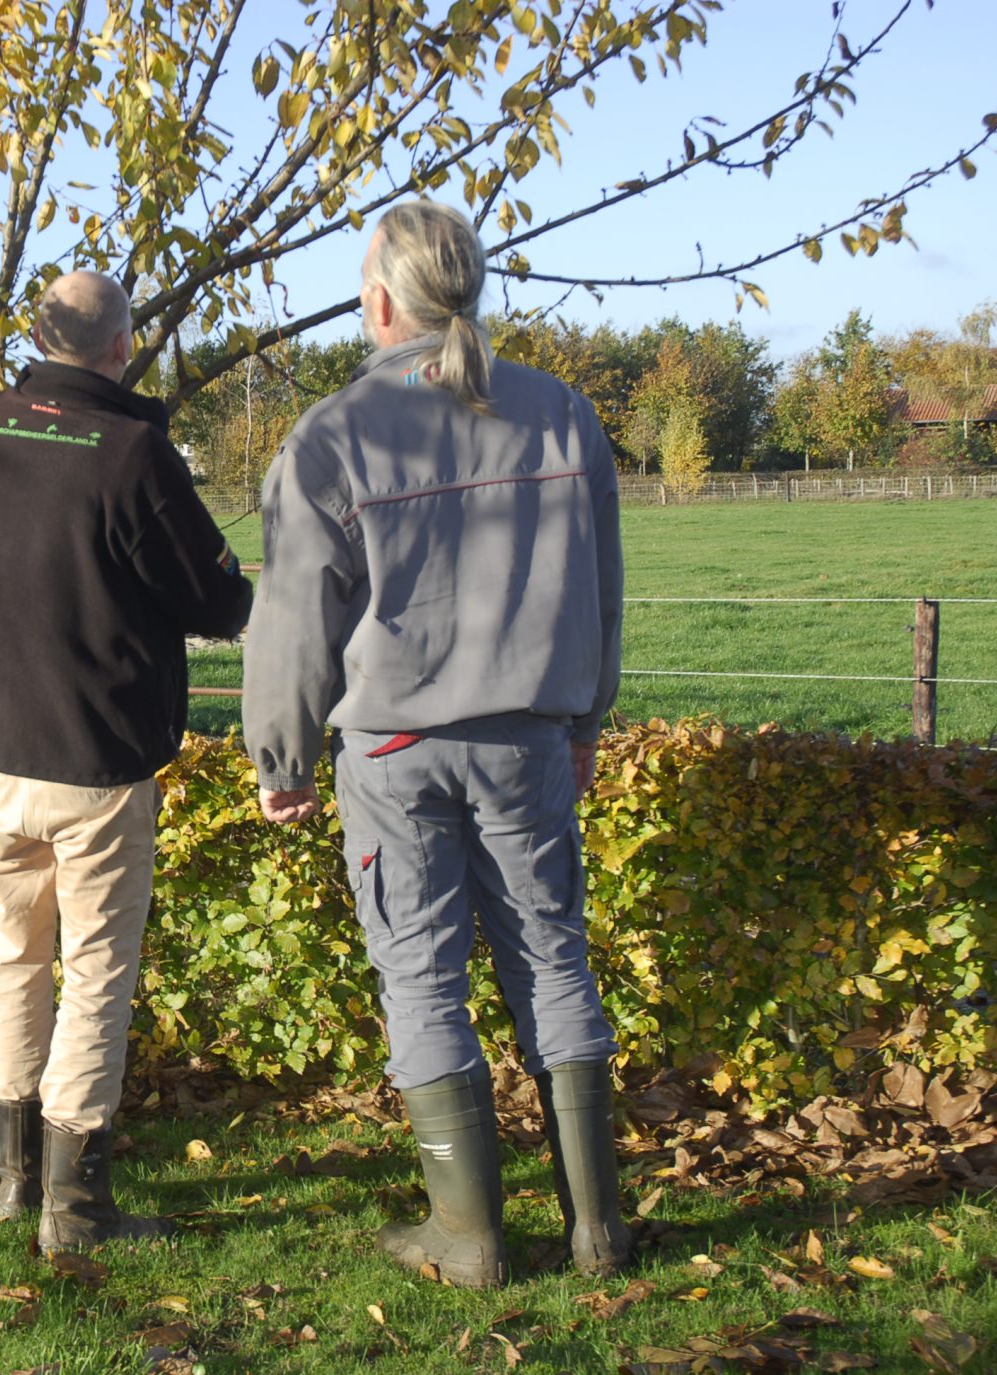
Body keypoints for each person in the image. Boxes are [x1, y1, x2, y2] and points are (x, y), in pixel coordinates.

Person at [241, 201, 629, 1287]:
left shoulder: (332, 434)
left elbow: (291, 619)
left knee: (419, 976)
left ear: (378, 302)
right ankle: (596, 1229)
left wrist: (281, 758)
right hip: (528, 740)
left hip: (393, 746)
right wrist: (585, 717)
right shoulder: (560, 413)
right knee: (553, 957)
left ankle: (468, 1238)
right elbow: (601, 590)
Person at [0, 269, 254, 1251]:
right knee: (95, 974)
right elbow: (216, 602)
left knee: (12, 958)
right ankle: (73, 1209)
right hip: (96, 759)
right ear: (121, 348)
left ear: (35, 340)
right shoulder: (129, 455)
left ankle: (10, 1177)